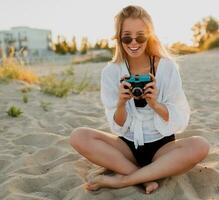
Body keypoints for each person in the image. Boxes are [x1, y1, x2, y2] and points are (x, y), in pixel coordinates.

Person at [69, 5, 209, 194]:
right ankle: (143, 178)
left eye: (140, 36)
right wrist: (120, 103)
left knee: (200, 145)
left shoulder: (166, 67)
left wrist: (155, 104)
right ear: (119, 37)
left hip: (163, 147)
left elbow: (179, 118)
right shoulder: (111, 72)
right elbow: (117, 126)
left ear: (149, 36)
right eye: (127, 36)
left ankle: (123, 180)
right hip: (127, 147)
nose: (133, 42)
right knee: (79, 136)